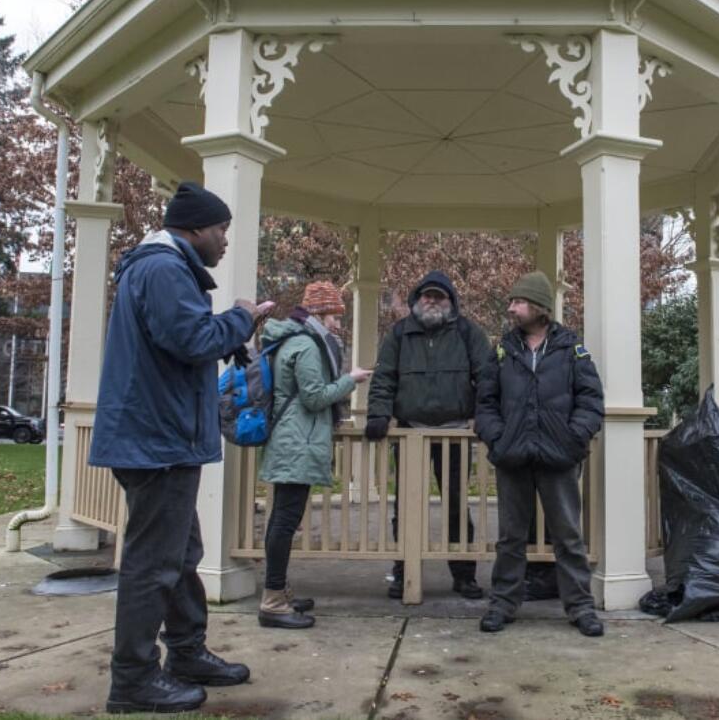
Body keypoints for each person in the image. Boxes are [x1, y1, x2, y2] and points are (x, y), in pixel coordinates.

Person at [89, 182, 269, 714]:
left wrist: (229, 330)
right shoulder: (164, 270)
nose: (225, 241)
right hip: (155, 442)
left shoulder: (159, 269)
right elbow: (192, 341)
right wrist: (240, 316)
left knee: (181, 553)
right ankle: (134, 680)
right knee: (153, 563)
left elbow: (181, 340)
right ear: (194, 229)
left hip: (159, 440)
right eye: (221, 230)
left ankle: (186, 653)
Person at [474, 271, 606, 637]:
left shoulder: (571, 349)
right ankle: (502, 604)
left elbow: (591, 401)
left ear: (538, 307)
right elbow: (485, 403)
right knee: (510, 537)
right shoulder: (502, 351)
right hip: (513, 457)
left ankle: (581, 608)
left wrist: (572, 438)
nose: (511, 308)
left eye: (517, 302)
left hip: (558, 458)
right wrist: (498, 440)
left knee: (568, 536)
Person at [364, 271, 495, 600]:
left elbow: (488, 376)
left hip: (456, 435)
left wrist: (483, 414)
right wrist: (379, 414)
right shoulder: (398, 334)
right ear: (416, 300)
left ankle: (464, 574)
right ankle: (404, 570)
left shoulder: (467, 333)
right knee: (406, 505)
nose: (432, 301)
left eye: (440, 296)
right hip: (410, 434)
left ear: (451, 302)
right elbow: (383, 379)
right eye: (427, 295)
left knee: (456, 503)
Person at [257, 281, 372, 629]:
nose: (338, 324)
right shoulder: (307, 346)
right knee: (284, 521)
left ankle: (278, 590)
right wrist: (350, 380)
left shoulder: (296, 340)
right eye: (335, 316)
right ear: (320, 314)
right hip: (297, 443)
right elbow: (315, 397)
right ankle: (273, 601)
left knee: (282, 519)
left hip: (293, 440)